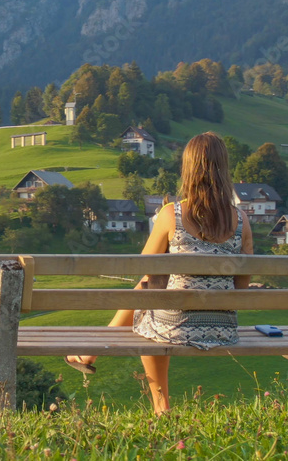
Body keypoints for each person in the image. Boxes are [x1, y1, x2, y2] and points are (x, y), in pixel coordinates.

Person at [65, 131, 253, 414]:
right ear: (223, 169)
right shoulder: (241, 220)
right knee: (150, 294)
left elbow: (145, 268)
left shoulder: (171, 214)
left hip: (174, 325)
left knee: (147, 295)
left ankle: (160, 404)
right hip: (223, 328)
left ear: (188, 169)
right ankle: (93, 351)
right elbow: (242, 284)